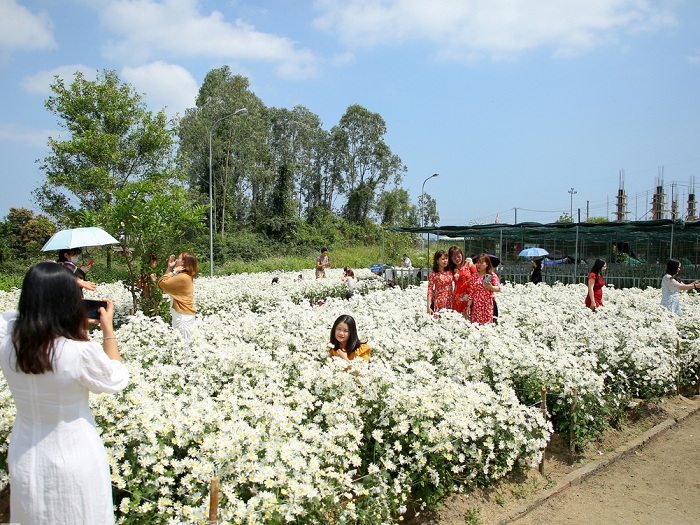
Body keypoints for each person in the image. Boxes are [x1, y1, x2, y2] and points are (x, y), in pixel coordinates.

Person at [0, 262, 128, 524]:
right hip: (73, 455)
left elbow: (13, 317)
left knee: (32, 514)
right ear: (69, 301)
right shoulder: (78, 352)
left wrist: (63, 321)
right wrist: (107, 330)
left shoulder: (8, 344)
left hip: (25, 452)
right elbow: (116, 379)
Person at [158, 251, 198, 339]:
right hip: (182, 315)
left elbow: (162, 283)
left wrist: (174, 270)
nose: (176, 260)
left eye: (178, 258)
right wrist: (170, 268)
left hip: (182, 317)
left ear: (184, 262)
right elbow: (166, 281)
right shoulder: (185, 275)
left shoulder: (183, 277)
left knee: (183, 345)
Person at [468, 253, 502, 325]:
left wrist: (491, 287)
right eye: (477, 263)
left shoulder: (491, 275)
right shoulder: (474, 276)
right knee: (476, 325)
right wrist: (468, 306)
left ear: (487, 264)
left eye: (481, 263)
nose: (478, 265)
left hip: (487, 304)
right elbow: (471, 292)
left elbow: (498, 288)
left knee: (487, 324)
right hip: (476, 305)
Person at [448, 245, 476, 315]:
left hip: (470, 296)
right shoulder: (451, 269)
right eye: (454, 258)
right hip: (457, 298)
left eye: (459, 256)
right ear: (451, 259)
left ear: (462, 255)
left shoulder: (469, 265)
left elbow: (478, 277)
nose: (457, 259)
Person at [427, 250, 453, 315]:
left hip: (450, 300)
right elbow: (430, 290)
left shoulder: (450, 271)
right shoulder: (434, 273)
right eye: (443, 259)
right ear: (437, 260)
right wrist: (428, 307)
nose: (445, 261)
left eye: (446, 258)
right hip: (439, 301)